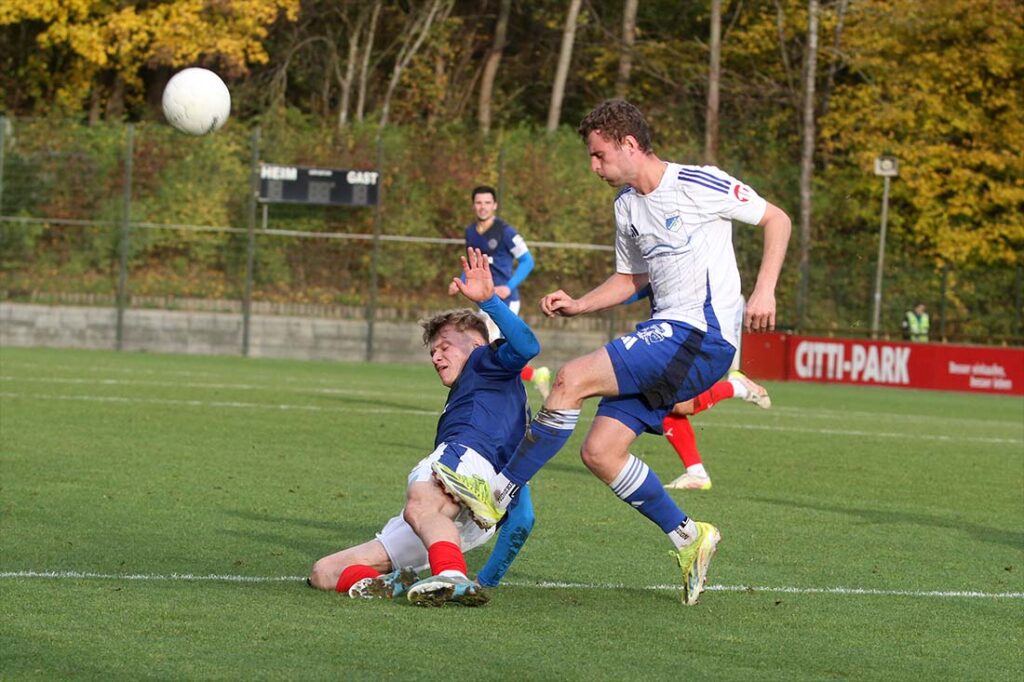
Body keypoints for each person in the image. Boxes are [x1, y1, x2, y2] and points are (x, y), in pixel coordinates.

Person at [433, 99, 791, 606]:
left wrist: (765, 289)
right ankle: (690, 536)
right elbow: (632, 278)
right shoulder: (626, 206)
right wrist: (580, 303)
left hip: (701, 334)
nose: (593, 166)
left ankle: (499, 491)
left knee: (570, 379)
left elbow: (777, 219)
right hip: (669, 335)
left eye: (599, 155)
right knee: (600, 452)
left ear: (629, 144)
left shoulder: (697, 182)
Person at [308, 247, 539, 606]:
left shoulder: (487, 361)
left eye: (445, 346)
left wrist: (489, 301)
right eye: (432, 351)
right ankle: (401, 581)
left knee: (420, 504)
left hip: (463, 469)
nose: (436, 356)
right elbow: (522, 518)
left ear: (478, 343)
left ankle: (451, 575)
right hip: (464, 516)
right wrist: (488, 578)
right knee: (324, 572)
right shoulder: (488, 399)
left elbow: (527, 345)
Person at [451, 185, 551, 398]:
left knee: (489, 348)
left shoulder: (506, 232)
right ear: (473, 206)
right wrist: (460, 282)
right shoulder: (471, 232)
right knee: (495, 351)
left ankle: (493, 394)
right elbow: (472, 264)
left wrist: (509, 286)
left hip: (505, 301)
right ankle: (534, 376)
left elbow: (527, 261)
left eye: (487, 203)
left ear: (495, 205)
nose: (483, 207)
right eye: (479, 203)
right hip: (484, 300)